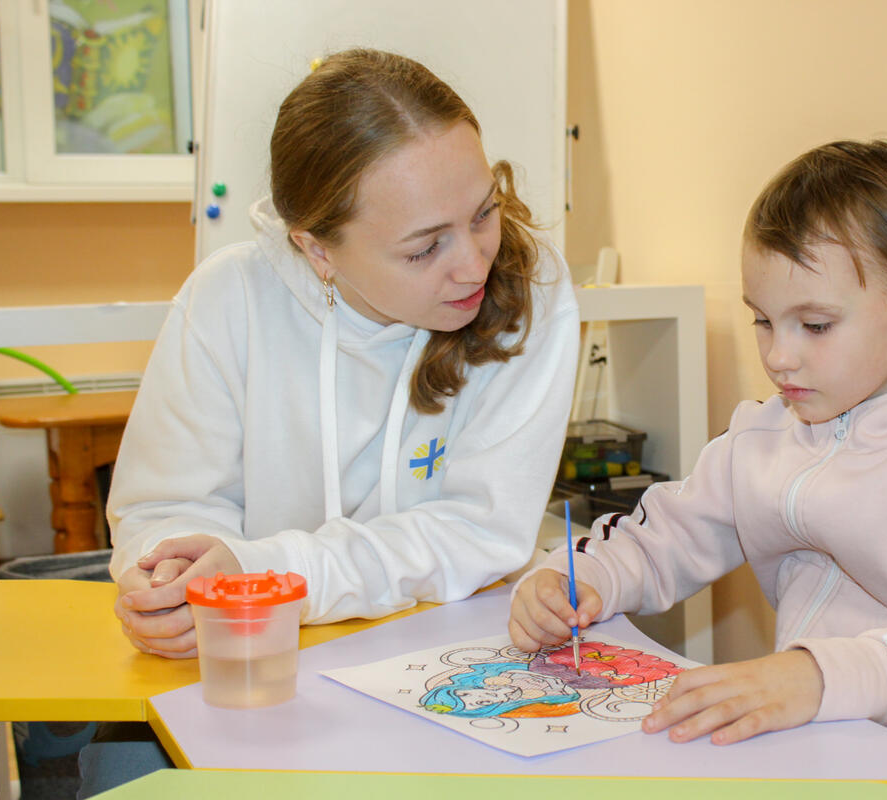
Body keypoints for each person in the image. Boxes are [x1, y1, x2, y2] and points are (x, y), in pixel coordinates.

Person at [509, 140, 887, 800]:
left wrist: (817, 677)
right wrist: (572, 578)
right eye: (764, 321)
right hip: (819, 752)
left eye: (815, 325)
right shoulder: (768, 433)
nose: (779, 357)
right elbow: (661, 538)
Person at [106, 48, 578, 654]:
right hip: (263, 652)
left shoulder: (530, 289)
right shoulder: (229, 300)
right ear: (318, 251)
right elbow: (165, 507)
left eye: (485, 212)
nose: (473, 265)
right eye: (424, 248)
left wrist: (269, 577)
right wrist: (173, 577)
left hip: (451, 646)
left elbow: (479, 531)